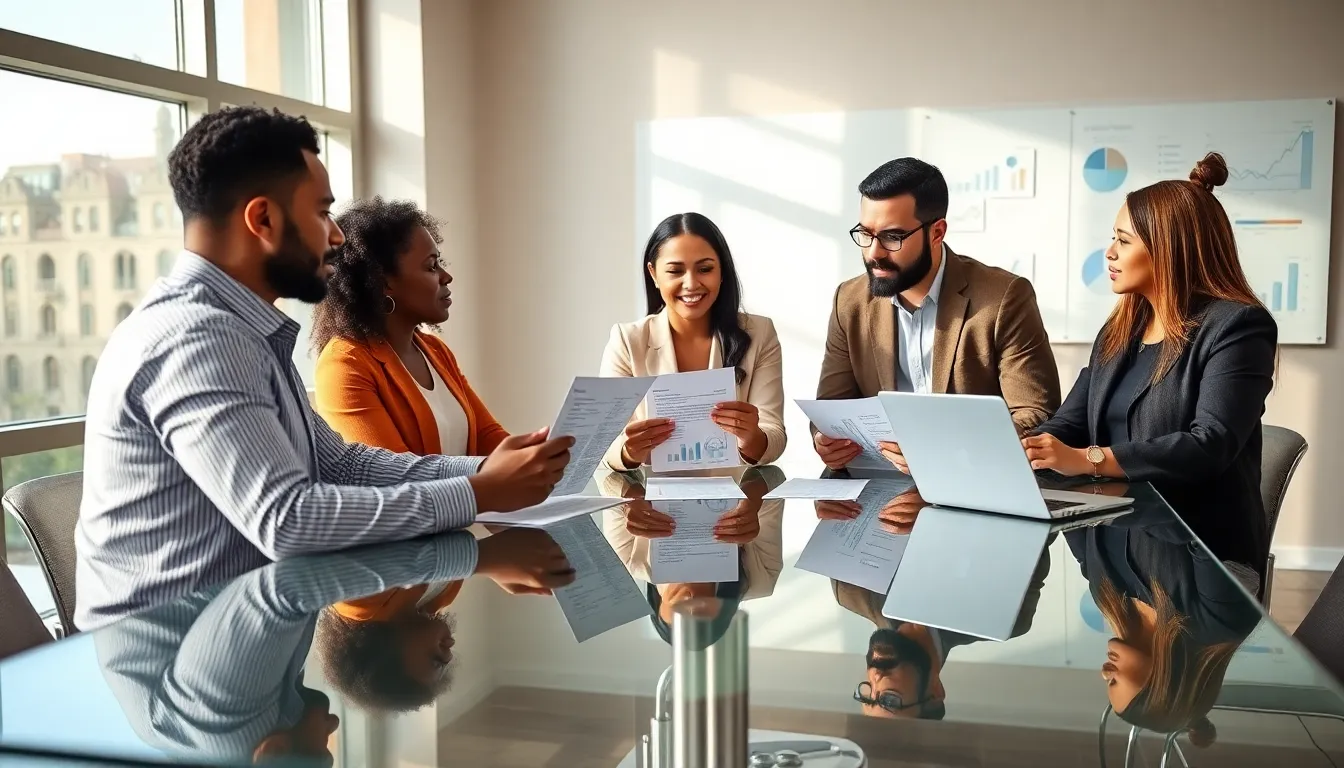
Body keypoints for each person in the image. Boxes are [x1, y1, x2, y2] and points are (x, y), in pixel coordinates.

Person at [75, 106, 573, 630]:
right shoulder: (197, 338)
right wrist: (478, 492)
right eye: (321, 213)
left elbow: (344, 466)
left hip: (242, 634)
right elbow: (287, 521)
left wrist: (487, 474)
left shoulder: (246, 331)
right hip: (171, 657)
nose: (336, 236)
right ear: (262, 219)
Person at [1023, 153, 1277, 573]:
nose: (1109, 253)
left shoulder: (1238, 327)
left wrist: (1088, 459)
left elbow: (1209, 444)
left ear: (1169, 249)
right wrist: (1021, 449)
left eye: (1123, 241)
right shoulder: (1119, 330)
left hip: (1200, 551)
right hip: (1114, 538)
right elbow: (1069, 423)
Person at [814, 157, 1060, 473]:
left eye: (892, 237)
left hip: (975, 485)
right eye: (865, 234)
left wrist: (946, 448)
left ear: (936, 232)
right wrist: (826, 440)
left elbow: (1037, 413)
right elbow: (832, 409)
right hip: (880, 488)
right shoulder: (849, 301)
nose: (873, 252)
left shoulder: (1003, 297)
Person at [312, 197, 507, 457]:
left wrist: (543, 450)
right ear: (383, 284)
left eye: (440, 263)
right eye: (430, 266)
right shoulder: (345, 365)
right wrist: (491, 476)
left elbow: (487, 437)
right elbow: (395, 476)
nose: (446, 276)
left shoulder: (435, 351)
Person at [600, 212, 786, 469]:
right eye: (675, 271)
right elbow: (603, 442)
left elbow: (774, 434)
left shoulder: (759, 333)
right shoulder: (627, 340)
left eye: (705, 269)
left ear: (722, 271)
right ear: (653, 274)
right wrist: (629, 451)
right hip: (650, 500)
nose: (691, 284)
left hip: (736, 499)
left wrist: (751, 436)